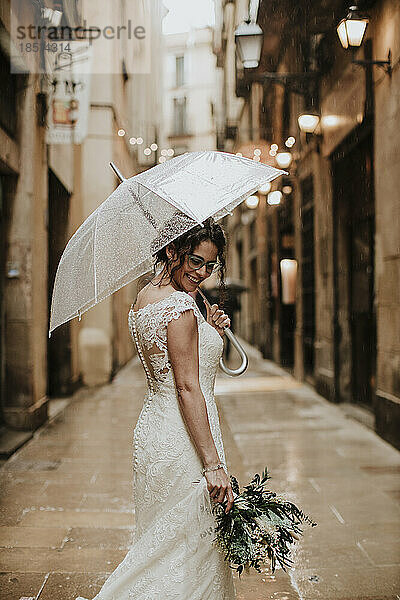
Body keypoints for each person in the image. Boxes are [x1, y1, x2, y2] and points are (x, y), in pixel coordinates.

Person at [76, 217, 236, 599]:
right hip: (185, 440)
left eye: (210, 266)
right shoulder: (179, 307)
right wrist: (213, 465)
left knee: (165, 544)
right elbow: (186, 386)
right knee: (189, 548)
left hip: (155, 431)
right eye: (195, 261)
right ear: (171, 251)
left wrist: (210, 330)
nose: (202, 273)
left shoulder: (145, 298)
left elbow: (174, 364)